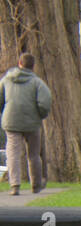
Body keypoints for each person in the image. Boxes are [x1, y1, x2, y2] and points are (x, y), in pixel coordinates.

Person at [0, 53, 52, 196]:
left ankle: (15, 185)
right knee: (34, 155)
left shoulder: (6, 80)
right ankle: (35, 184)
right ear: (32, 66)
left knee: (13, 154)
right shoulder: (37, 83)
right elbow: (45, 102)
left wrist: (3, 111)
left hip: (11, 121)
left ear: (19, 63)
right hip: (32, 122)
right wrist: (41, 114)